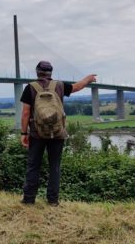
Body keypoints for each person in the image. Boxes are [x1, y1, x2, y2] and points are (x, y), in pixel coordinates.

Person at [20, 61, 96, 206]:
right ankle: (53, 201)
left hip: (37, 134)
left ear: (37, 72)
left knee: (33, 166)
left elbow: (25, 112)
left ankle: (29, 199)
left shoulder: (30, 87)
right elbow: (76, 87)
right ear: (51, 73)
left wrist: (24, 133)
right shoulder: (60, 85)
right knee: (54, 167)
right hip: (57, 133)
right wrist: (87, 79)